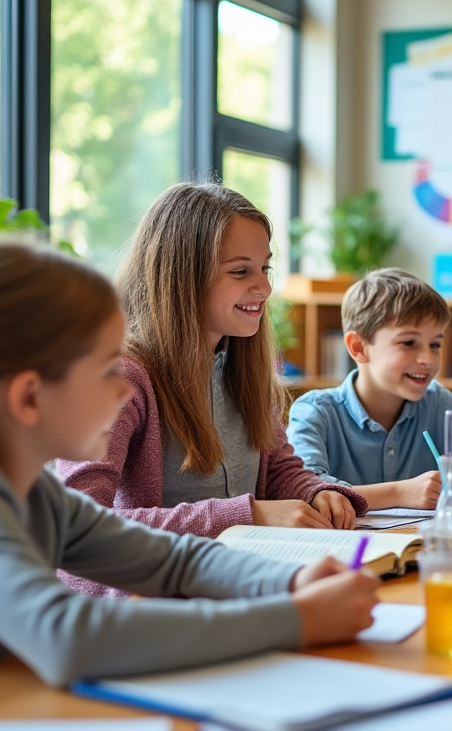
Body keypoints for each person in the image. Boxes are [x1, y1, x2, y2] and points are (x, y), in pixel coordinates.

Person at [0, 237, 380, 704]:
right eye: (104, 371)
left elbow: (174, 562)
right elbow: (66, 637)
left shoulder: (32, 491)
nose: (123, 390)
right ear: (29, 396)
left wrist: (290, 582)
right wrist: (296, 619)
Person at [59, 183, 366, 596]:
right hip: (140, 608)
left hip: (234, 588)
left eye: (265, 268)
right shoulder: (118, 378)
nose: (265, 288)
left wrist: (314, 494)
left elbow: (277, 470)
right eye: (241, 271)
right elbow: (75, 527)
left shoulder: (241, 363)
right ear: (182, 277)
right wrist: (247, 515)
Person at [287, 268, 452, 509]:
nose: (427, 358)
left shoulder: (439, 403)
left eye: (435, 344)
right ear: (359, 348)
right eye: (409, 343)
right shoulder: (315, 412)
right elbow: (305, 491)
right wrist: (399, 493)